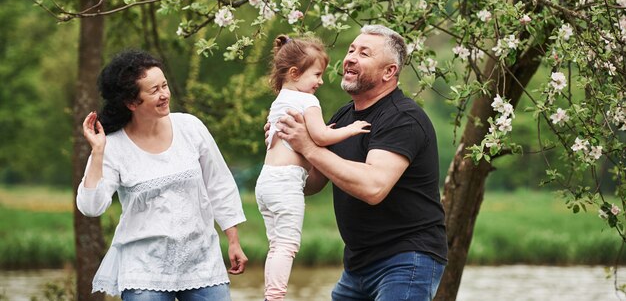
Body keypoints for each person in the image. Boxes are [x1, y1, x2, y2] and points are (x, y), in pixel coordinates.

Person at [275, 25, 448, 301]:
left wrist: (308, 146)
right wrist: (284, 150)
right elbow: (313, 183)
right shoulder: (343, 117)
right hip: (357, 264)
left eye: (364, 53)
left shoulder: (403, 118)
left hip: (406, 258)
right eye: (351, 50)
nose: (350, 58)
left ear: (389, 72)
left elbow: (373, 187)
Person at [76, 50, 247, 301]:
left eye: (164, 85)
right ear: (132, 102)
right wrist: (99, 152)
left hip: (201, 262)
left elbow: (219, 184)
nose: (165, 94)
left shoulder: (190, 127)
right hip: (144, 270)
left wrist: (233, 240)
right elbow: (92, 207)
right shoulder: (113, 146)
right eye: (154, 90)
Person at [256, 34, 371, 301]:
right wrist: (349, 130)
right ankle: (274, 297)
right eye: (316, 74)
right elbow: (319, 137)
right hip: (286, 183)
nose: (320, 81)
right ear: (295, 73)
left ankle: (270, 294)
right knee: (287, 245)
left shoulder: (279, 100)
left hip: (266, 182)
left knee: (276, 246)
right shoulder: (308, 101)